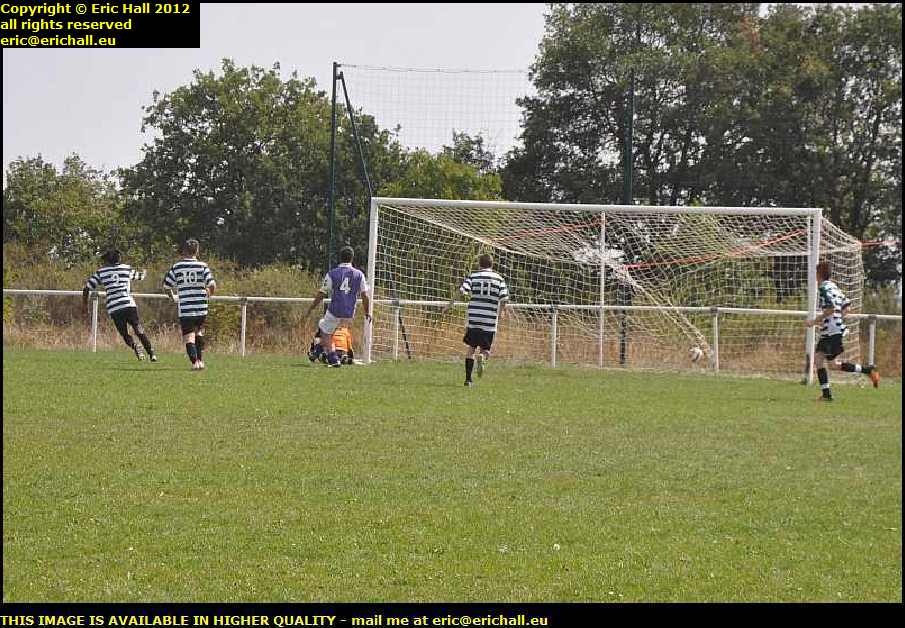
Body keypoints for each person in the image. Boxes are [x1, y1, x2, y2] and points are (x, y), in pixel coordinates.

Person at [805, 260, 880, 401]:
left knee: (820, 360)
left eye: (816, 273)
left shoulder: (823, 288)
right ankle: (867, 371)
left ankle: (827, 394)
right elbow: (847, 307)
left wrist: (814, 321)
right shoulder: (834, 287)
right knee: (829, 363)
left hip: (831, 331)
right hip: (833, 329)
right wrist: (837, 319)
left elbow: (831, 308)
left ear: (819, 274)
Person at [443, 253, 509, 387]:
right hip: (489, 319)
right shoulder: (499, 279)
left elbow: (462, 291)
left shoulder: (473, 276)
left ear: (479, 264)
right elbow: (504, 298)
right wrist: (502, 312)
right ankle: (483, 358)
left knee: (471, 348)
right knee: (486, 349)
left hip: (474, 317)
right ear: (492, 264)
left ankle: (468, 380)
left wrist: (449, 305)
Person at [82, 249, 157, 362]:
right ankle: (151, 353)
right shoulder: (126, 268)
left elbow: (87, 287)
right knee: (138, 328)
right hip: (129, 304)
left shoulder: (101, 272)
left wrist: (84, 306)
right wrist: (145, 272)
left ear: (107, 260)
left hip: (114, 307)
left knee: (124, 334)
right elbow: (140, 277)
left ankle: (135, 346)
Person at [304, 246, 371, 368]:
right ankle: (317, 351)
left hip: (335, 310)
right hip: (349, 312)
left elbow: (322, 293)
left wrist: (311, 308)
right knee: (329, 329)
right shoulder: (359, 274)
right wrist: (367, 312)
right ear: (352, 258)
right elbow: (365, 295)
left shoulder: (332, 273)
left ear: (340, 258)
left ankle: (333, 358)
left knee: (324, 331)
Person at [163, 239, 216, 370]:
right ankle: (200, 361)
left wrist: (173, 297)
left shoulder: (177, 267)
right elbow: (212, 285)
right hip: (201, 308)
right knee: (198, 333)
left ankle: (195, 363)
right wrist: (207, 294)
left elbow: (166, 286)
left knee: (189, 337)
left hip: (186, 307)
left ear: (184, 250)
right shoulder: (203, 266)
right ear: (197, 251)